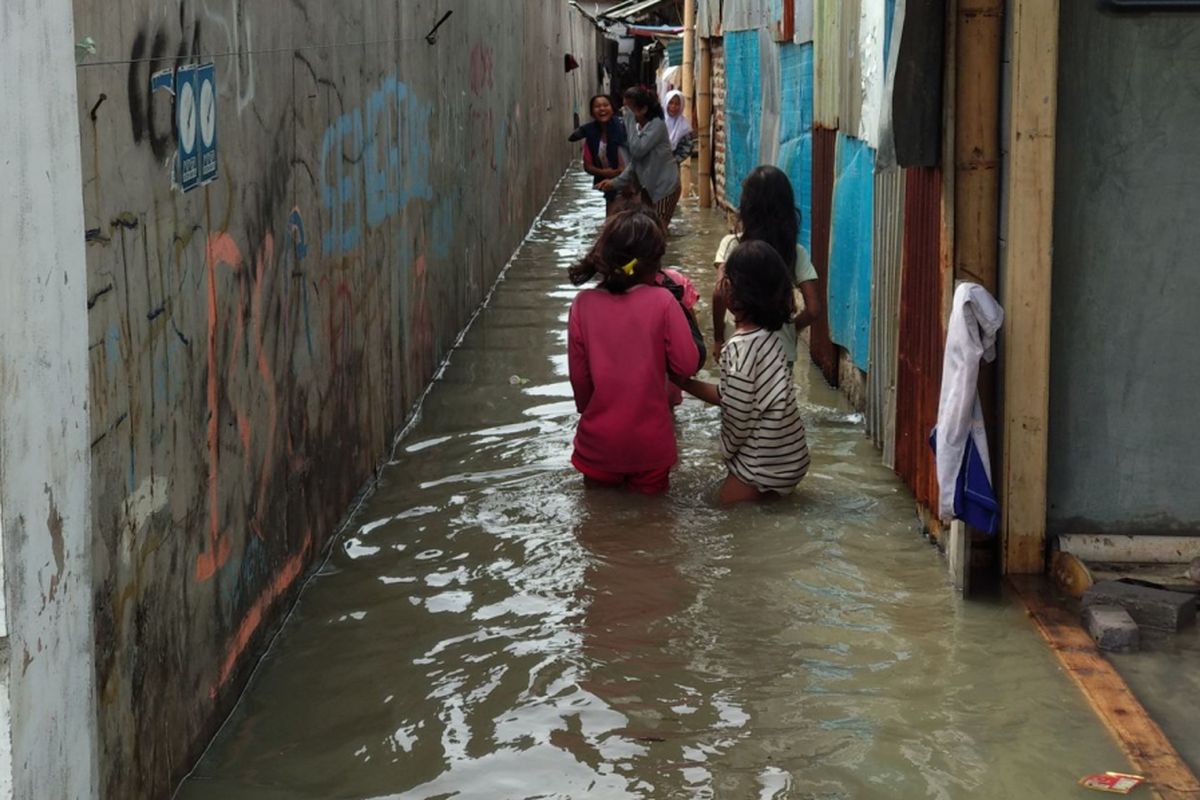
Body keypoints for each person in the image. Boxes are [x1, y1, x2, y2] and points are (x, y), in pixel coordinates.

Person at [567, 210, 700, 495]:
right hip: (650, 446)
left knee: (598, 524)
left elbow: (580, 381)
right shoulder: (663, 301)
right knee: (652, 526)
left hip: (598, 444)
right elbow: (687, 364)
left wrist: (596, 413)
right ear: (654, 262)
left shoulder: (582, 304)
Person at [680, 241, 811, 504]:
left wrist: (726, 452)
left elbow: (737, 415)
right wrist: (683, 382)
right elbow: (732, 395)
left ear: (734, 293)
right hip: (789, 458)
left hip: (760, 466)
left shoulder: (738, 348)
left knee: (717, 509)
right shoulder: (770, 338)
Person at [712, 166, 823, 366]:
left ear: (746, 207)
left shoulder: (731, 245)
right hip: (781, 349)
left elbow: (720, 294)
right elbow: (814, 309)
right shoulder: (795, 252)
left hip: (738, 344)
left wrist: (719, 338)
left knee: (734, 395)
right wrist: (791, 327)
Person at [598, 87, 682, 233]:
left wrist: (629, 119)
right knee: (648, 230)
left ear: (643, 109)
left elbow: (637, 151)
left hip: (665, 188)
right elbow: (635, 164)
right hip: (650, 188)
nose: (625, 112)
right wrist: (614, 183)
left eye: (628, 108)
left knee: (658, 231)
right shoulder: (642, 128)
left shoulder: (657, 125)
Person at [568, 94, 629, 215]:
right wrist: (606, 173)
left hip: (631, 185)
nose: (602, 109)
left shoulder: (624, 130)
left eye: (605, 105)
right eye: (597, 106)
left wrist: (620, 173)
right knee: (612, 223)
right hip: (610, 186)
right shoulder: (591, 134)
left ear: (612, 108)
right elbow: (588, 166)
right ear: (592, 112)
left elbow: (635, 159)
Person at [663, 90, 696, 165]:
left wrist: (673, 161)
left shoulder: (684, 126)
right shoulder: (658, 121)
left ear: (681, 106)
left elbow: (688, 147)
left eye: (677, 104)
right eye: (670, 103)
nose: (673, 106)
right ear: (666, 103)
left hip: (671, 166)